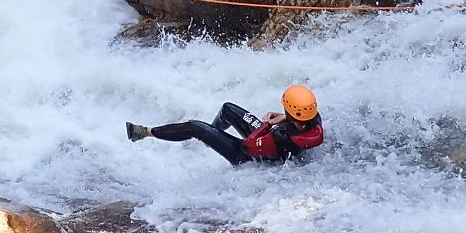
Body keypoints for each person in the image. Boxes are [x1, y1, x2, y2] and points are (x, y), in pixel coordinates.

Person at [126, 86, 324, 167]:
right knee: (228, 109)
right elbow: (296, 122)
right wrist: (282, 118)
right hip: (272, 143)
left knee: (195, 126)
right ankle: (212, 136)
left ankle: (143, 133)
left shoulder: (281, 135)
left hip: (249, 156)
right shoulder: (314, 119)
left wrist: (266, 125)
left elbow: (248, 145)